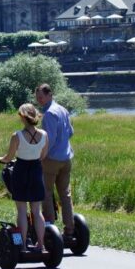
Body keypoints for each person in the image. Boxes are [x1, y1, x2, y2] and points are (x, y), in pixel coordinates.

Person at [0, 103, 49, 252]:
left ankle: (24, 246)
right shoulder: (44, 135)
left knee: (21, 210)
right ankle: (41, 244)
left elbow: (9, 157)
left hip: (21, 171)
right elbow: (43, 155)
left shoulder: (17, 136)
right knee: (36, 211)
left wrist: (1, 158)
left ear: (22, 117)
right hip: (36, 171)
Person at [35, 83, 75, 236]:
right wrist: (62, 142)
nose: (39, 100)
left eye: (41, 97)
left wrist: (40, 157)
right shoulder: (62, 109)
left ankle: (50, 228)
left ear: (49, 95)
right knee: (65, 194)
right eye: (37, 97)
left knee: (46, 192)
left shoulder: (50, 114)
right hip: (66, 158)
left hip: (52, 160)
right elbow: (70, 132)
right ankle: (70, 229)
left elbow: (49, 140)